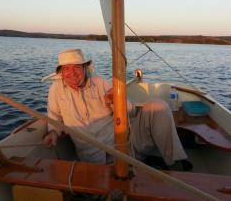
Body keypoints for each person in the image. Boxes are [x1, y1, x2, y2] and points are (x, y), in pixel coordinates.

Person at [43, 48, 188, 169]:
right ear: (61, 72)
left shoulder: (101, 83)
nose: (72, 72)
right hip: (93, 159)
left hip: (125, 146)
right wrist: (53, 132)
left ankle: (175, 164)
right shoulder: (56, 90)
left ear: (84, 68)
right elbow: (54, 117)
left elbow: (130, 111)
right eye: (66, 68)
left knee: (158, 105)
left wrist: (116, 102)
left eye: (76, 67)